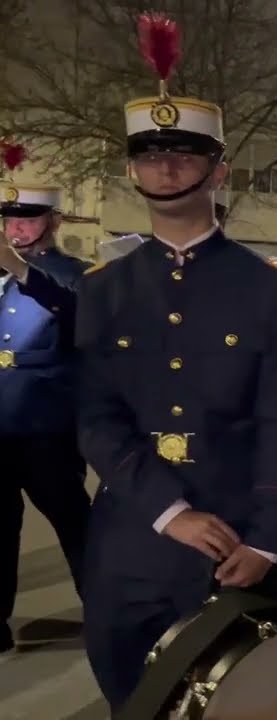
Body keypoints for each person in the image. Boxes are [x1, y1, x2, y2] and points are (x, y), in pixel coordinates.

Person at [75, 17, 277, 708]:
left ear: (219, 167)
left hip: (238, 544)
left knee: (238, 704)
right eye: (150, 152)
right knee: (134, 700)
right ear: (130, 167)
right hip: (134, 541)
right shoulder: (103, 288)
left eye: (184, 151)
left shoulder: (266, 287)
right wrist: (168, 510)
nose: (166, 165)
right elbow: (95, 414)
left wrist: (268, 541)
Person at [0, 164, 92, 655]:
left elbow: (77, 318)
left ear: (53, 221)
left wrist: (17, 267)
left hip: (47, 426)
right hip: (1, 424)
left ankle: (103, 610)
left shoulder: (74, 275)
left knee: (74, 523)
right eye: (8, 218)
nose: (15, 228)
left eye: (27, 219)